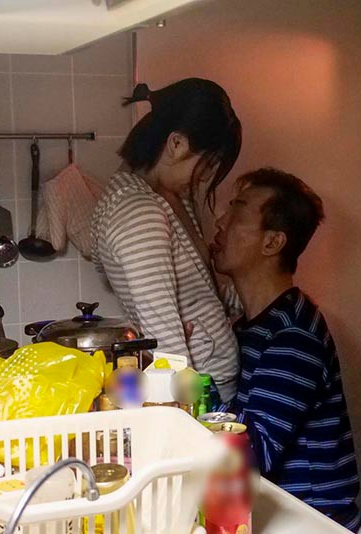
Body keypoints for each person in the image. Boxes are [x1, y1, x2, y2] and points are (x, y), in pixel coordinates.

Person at [212, 168, 361, 531]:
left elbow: (252, 454)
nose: (220, 221)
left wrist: (193, 383)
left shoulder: (294, 336)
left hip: (313, 525)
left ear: (273, 243)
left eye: (237, 210)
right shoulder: (251, 326)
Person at [91, 79, 243, 401]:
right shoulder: (137, 212)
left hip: (213, 383)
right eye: (209, 163)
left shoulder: (170, 196)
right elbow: (166, 338)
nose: (206, 177)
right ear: (176, 143)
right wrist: (187, 409)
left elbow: (202, 289)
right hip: (201, 393)